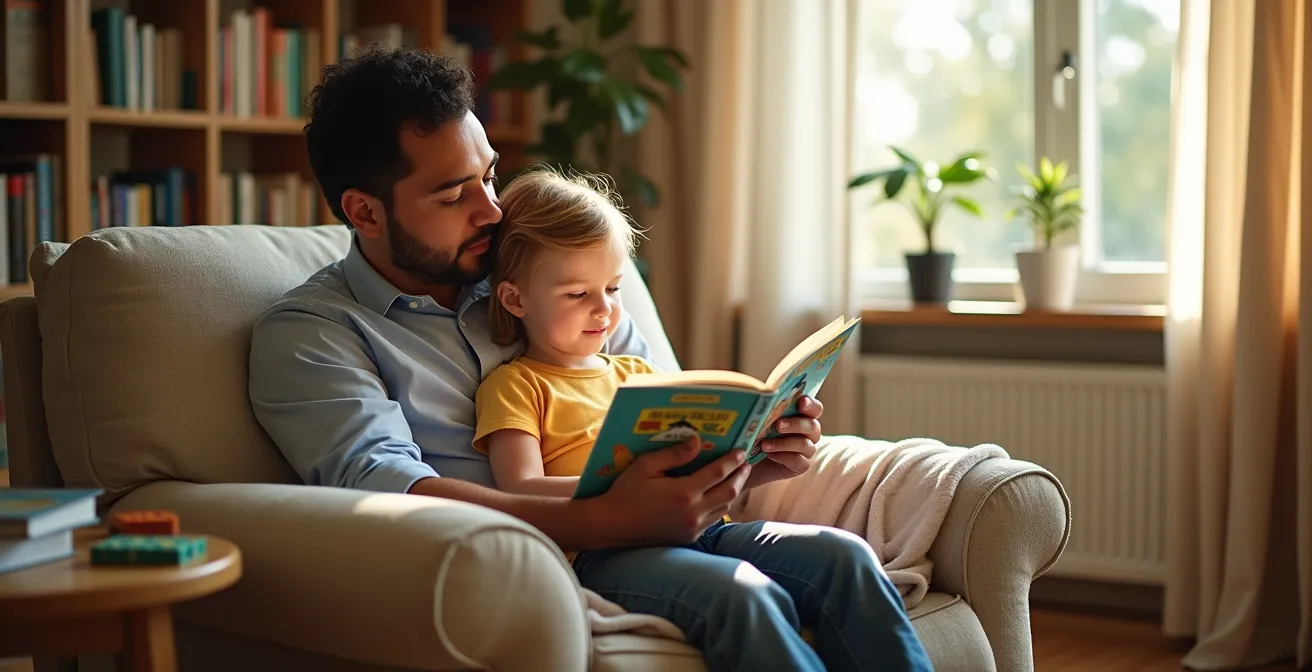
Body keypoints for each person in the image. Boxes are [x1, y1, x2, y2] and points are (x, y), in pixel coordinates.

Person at [245, 45, 929, 670]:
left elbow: (657, 420)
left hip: (666, 535)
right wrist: (602, 519)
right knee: (744, 594)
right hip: (549, 558)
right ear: (365, 213)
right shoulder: (313, 334)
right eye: (454, 195)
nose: (490, 211)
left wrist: (745, 457)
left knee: (843, 559)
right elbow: (387, 490)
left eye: (489, 176)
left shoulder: (540, 273)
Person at [471, 167, 932, 671]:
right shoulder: (517, 385)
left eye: (614, 288)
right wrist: (617, 494)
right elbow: (519, 488)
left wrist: (765, 458)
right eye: (578, 295)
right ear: (515, 298)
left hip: (704, 530)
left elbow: (697, 472)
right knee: (746, 595)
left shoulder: (639, 374)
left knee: (845, 557)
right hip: (605, 553)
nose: (604, 309)